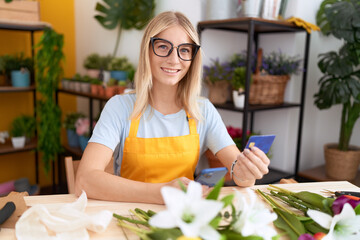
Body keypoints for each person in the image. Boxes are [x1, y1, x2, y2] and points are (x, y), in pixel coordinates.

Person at [75, 11, 270, 204]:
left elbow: (237, 169)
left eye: (184, 50)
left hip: (184, 218)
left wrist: (247, 172)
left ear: (193, 57)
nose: (174, 59)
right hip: (130, 217)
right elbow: (84, 181)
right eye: (163, 47)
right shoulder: (119, 107)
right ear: (147, 51)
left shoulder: (203, 110)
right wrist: (161, 193)